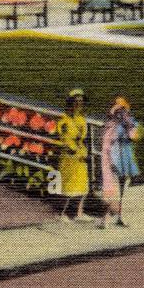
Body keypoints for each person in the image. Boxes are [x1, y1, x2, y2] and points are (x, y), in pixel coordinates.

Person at [98, 96, 144, 228]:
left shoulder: (130, 124)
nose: (121, 114)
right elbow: (107, 147)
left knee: (124, 189)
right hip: (114, 160)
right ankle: (105, 218)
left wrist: (129, 126)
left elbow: (134, 136)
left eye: (123, 111)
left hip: (126, 159)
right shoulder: (111, 127)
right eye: (118, 112)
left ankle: (120, 216)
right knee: (112, 191)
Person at [56, 89, 92, 221]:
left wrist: (84, 153)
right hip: (70, 157)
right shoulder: (64, 121)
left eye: (81, 102)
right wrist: (76, 152)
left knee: (83, 186)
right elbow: (66, 140)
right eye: (76, 102)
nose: (78, 105)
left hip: (81, 156)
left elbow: (83, 137)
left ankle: (79, 213)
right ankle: (63, 213)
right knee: (69, 187)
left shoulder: (81, 119)